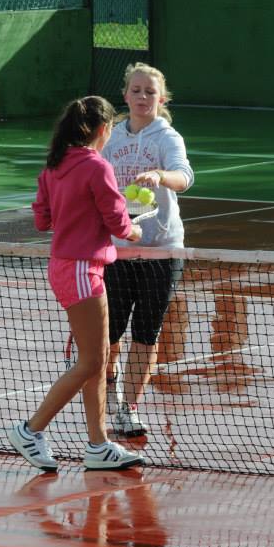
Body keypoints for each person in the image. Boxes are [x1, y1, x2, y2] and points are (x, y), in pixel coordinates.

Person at [8, 95, 144, 472]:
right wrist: (134, 230)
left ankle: (98, 446)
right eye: (111, 127)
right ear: (103, 129)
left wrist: (79, 216)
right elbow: (118, 223)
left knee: (95, 362)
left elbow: (42, 220)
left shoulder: (54, 166)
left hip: (67, 267)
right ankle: (30, 430)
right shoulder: (97, 167)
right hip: (82, 271)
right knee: (92, 361)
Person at [101, 62, 194, 435]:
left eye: (150, 92)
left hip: (162, 250)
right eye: (136, 90)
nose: (142, 97)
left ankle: (129, 408)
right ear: (125, 95)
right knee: (109, 332)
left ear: (162, 98)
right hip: (118, 249)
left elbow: (184, 176)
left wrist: (160, 175)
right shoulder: (111, 139)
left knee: (146, 332)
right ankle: (108, 385)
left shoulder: (167, 138)